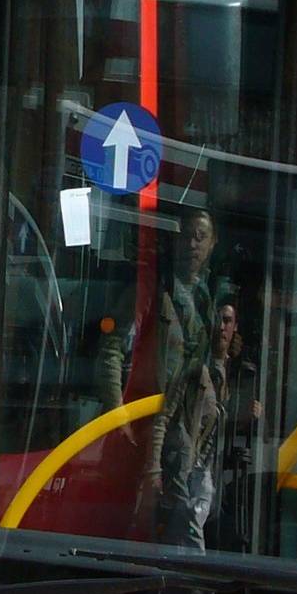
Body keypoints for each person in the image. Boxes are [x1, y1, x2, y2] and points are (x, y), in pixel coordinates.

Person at [98, 207, 228, 550]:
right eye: (186, 235)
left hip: (188, 428)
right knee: (140, 520)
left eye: (201, 237)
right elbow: (112, 350)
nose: (192, 244)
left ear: (213, 243)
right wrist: (118, 415)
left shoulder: (207, 296)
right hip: (147, 427)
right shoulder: (153, 287)